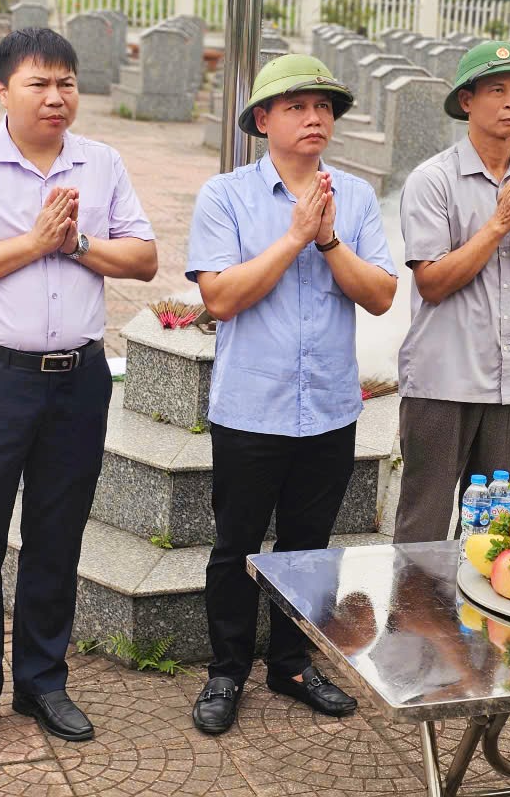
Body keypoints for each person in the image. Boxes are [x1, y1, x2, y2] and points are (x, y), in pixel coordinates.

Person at [0, 28, 158, 758]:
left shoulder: (101, 163)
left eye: (66, 84)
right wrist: (35, 241)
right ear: (2, 90)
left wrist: (76, 243)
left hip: (78, 379)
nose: (56, 98)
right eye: (39, 84)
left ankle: (44, 681)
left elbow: (144, 258)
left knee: (58, 534)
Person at [185, 54, 397, 735]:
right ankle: (225, 672)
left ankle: (292, 663)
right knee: (235, 545)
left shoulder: (355, 197)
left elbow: (381, 294)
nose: (315, 118)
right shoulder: (226, 196)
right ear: (263, 120)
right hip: (252, 407)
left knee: (309, 547)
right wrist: (295, 237)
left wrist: (328, 239)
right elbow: (220, 297)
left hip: (329, 406)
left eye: (324, 107)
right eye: (298, 106)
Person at [395, 40, 510, 544]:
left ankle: (471, 600)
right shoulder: (433, 179)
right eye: (497, 90)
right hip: (443, 379)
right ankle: (412, 600)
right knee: (424, 522)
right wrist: (498, 224)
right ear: (466, 101)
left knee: (491, 527)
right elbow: (431, 282)